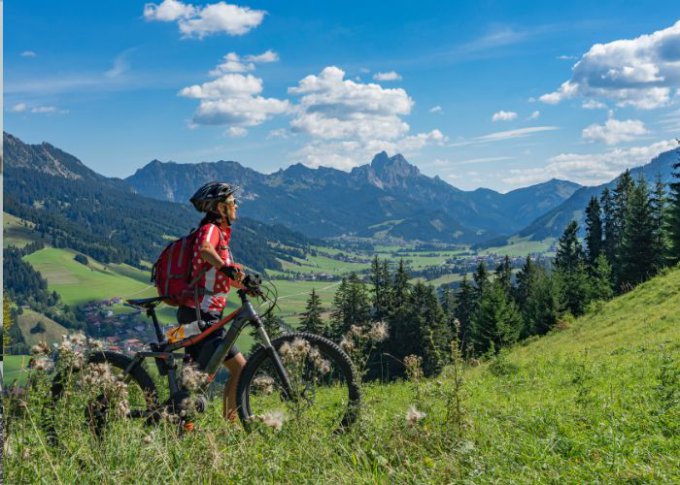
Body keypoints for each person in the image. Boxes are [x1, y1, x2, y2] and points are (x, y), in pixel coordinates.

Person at [178, 181, 246, 422]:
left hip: (204, 315)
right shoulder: (211, 229)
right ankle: (231, 424)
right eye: (231, 202)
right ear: (220, 207)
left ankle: (182, 426)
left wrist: (245, 283)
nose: (236, 205)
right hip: (201, 315)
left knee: (195, 376)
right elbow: (206, 249)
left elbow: (221, 273)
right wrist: (226, 267)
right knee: (236, 368)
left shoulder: (222, 236)